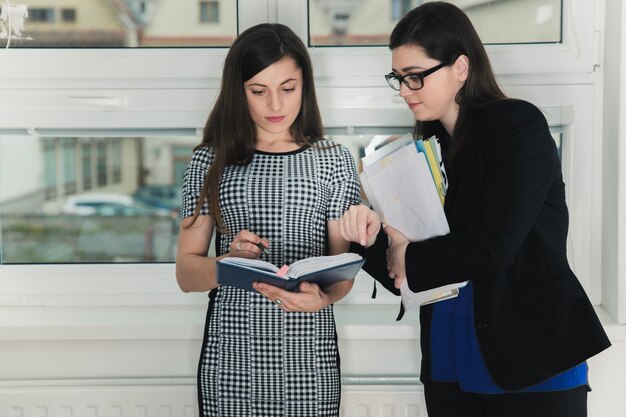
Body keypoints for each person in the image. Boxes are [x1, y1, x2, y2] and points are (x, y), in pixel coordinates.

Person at [339, 2, 611, 416]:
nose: (406, 91)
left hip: (532, 360)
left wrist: (406, 254)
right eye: (399, 79)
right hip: (449, 363)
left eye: (416, 77)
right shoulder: (420, 154)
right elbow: (406, 275)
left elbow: (493, 246)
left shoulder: (517, 126)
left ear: (461, 67)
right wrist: (365, 236)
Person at [175, 23, 361, 417]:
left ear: (305, 86)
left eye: (288, 89)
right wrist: (227, 262)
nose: (275, 105)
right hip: (231, 359)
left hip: (309, 357)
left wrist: (325, 296)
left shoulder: (333, 160)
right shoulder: (209, 161)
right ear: (237, 91)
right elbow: (186, 274)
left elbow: (341, 273)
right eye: (258, 91)